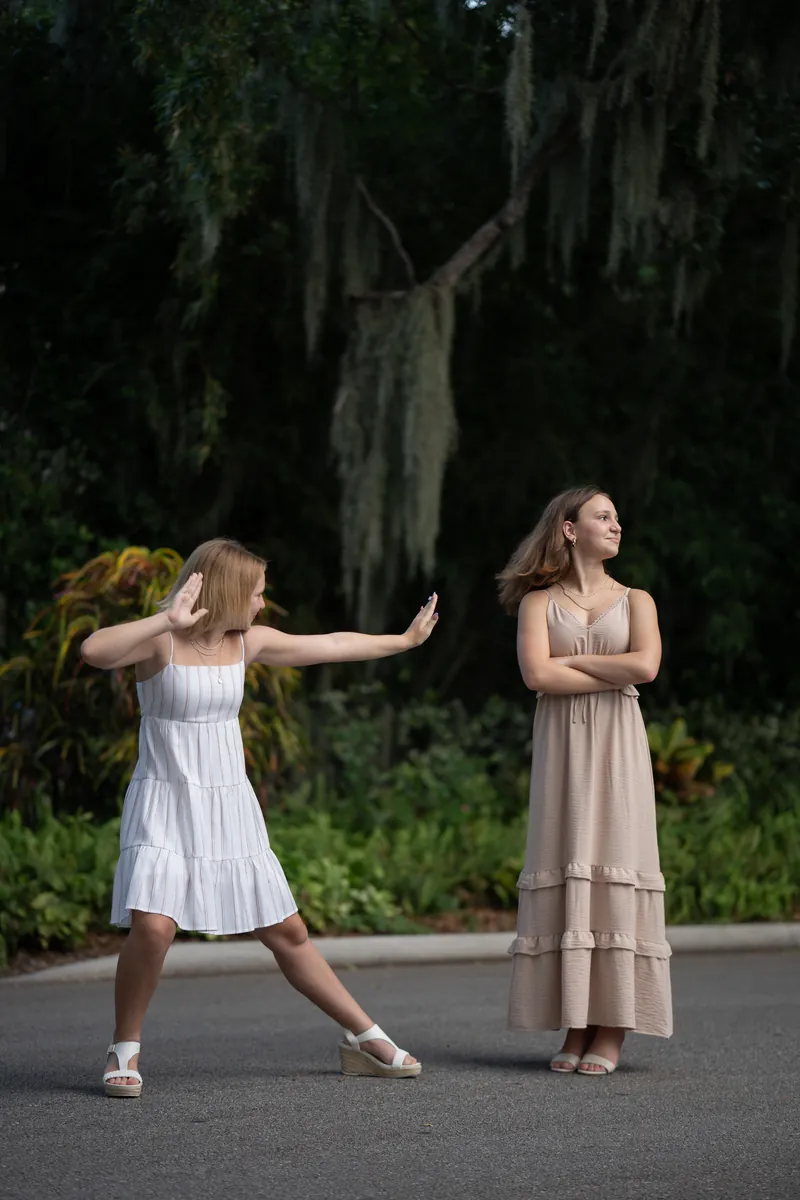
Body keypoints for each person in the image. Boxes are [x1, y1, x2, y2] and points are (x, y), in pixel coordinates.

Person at [81, 538, 439, 1097]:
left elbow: (332, 644)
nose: (262, 605)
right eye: (256, 594)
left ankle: (363, 1036)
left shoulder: (248, 643)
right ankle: (123, 1048)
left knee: (287, 930)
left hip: (228, 804)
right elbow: (95, 651)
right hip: (165, 799)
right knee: (153, 925)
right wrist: (162, 620)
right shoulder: (160, 643)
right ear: (225, 591)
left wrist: (403, 640)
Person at [497, 487, 672, 1076]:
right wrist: (595, 668)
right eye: (604, 517)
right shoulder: (536, 603)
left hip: (618, 746)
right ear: (570, 530)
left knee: (616, 858)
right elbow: (534, 675)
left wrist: (567, 664)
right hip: (563, 751)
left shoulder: (637, 600)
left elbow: (645, 667)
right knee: (569, 858)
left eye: (618, 517)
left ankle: (613, 1028)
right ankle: (577, 1021)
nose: (617, 526)